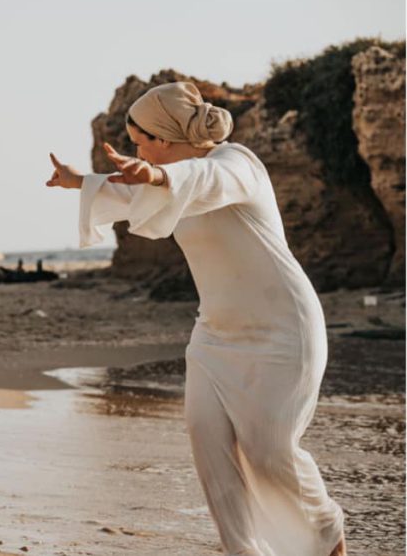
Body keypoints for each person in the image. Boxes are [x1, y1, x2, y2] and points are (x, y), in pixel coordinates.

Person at [46, 82, 344, 556]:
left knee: (270, 454)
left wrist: (160, 178)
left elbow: (206, 181)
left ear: (164, 139)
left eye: (141, 142)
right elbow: (128, 195)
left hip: (283, 330)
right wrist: (79, 181)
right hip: (214, 336)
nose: (137, 152)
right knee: (209, 446)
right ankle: (244, 552)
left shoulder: (238, 163)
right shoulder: (163, 179)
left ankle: (325, 535)